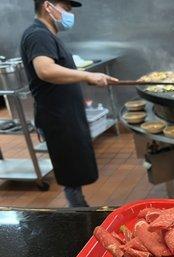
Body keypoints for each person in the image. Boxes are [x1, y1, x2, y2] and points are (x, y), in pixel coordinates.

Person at [20, 0, 118, 207]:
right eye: (66, 9)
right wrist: (86, 77)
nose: (69, 15)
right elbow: (45, 70)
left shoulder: (46, 34)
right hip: (58, 118)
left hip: (64, 115)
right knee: (71, 175)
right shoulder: (38, 35)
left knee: (74, 170)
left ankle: (80, 210)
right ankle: (80, 218)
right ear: (48, 6)